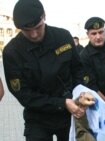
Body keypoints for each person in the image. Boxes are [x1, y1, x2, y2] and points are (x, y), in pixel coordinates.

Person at [2, 0, 93, 140]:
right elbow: (23, 94)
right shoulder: (12, 52)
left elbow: (78, 70)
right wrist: (61, 103)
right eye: (27, 30)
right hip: (38, 117)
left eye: (38, 27)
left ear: (44, 16)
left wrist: (80, 94)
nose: (33, 34)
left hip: (70, 112)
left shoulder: (63, 37)